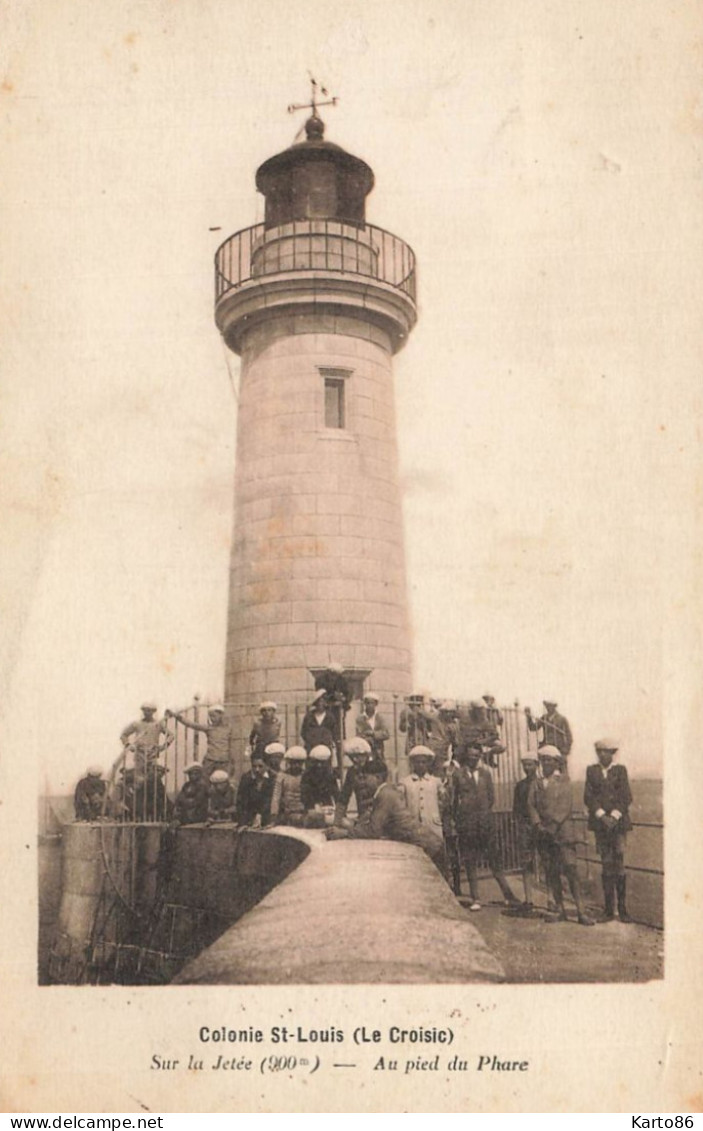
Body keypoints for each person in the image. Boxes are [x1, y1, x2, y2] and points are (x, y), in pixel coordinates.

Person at [326, 760, 446, 875]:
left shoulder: (385, 796)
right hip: (428, 847)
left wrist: (344, 833)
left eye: (366, 778)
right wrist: (353, 824)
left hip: (429, 849)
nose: (363, 783)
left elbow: (373, 830)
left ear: (378, 778)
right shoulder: (385, 793)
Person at [528, 746, 594, 926]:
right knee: (552, 872)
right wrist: (537, 824)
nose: (546, 763)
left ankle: (581, 911)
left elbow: (565, 806)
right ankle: (560, 909)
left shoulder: (564, 780)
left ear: (557, 762)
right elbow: (531, 805)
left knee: (571, 870)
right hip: (544, 834)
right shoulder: (537, 782)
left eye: (550, 760)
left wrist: (552, 825)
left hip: (562, 833)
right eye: (543, 760)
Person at [450, 744, 519, 911]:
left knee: (494, 861)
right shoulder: (457, 775)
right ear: (466, 756)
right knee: (471, 861)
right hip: (467, 825)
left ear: (480, 756)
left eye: (477, 755)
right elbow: (453, 801)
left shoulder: (486, 774)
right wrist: (460, 820)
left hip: (485, 824)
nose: (474, 758)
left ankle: (509, 896)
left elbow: (491, 798)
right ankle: (475, 898)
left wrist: (483, 815)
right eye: (471, 755)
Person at [584, 738, 633, 922]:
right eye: (599, 751)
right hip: (601, 824)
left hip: (618, 824)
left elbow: (626, 795)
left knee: (619, 862)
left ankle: (623, 909)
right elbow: (588, 796)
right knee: (606, 863)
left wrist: (614, 816)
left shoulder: (620, 770)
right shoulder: (592, 771)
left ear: (612, 753)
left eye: (605, 751)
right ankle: (608, 910)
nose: (602, 754)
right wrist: (601, 816)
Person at [168, 703, 235, 780]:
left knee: (223, 780)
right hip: (210, 760)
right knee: (204, 781)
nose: (212, 719)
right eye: (210, 717)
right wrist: (176, 716)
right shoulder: (208, 728)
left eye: (214, 716)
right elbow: (191, 724)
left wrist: (232, 761)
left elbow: (231, 746)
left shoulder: (228, 729)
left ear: (220, 715)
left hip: (224, 761)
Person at [511, 755, 540, 914]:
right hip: (525, 827)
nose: (527, 768)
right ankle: (529, 899)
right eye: (525, 765)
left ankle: (550, 899)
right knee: (526, 862)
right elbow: (516, 809)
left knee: (545, 861)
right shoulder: (520, 786)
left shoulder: (542, 783)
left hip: (541, 826)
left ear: (536, 765)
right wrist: (519, 825)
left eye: (530, 764)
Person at [399, 745, 445, 839]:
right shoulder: (405, 782)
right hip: (413, 826)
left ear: (428, 763)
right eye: (417, 762)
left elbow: (444, 801)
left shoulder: (435, 781)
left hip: (432, 825)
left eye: (423, 762)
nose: (420, 765)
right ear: (413, 763)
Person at [120, 701, 173, 775]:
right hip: (140, 753)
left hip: (152, 754)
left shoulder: (158, 724)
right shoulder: (137, 724)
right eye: (144, 710)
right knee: (139, 776)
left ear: (153, 712)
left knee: (152, 776)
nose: (146, 712)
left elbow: (171, 735)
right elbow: (124, 735)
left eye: (149, 710)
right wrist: (128, 745)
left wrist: (164, 746)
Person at [335, 737, 376, 825]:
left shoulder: (377, 768)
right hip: (362, 816)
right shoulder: (352, 772)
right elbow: (344, 797)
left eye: (359, 756)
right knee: (343, 823)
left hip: (378, 814)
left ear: (366, 755)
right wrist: (337, 822)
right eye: (352, 757)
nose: (355, 760)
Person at [300, 744, 339, 823]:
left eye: (322, 763)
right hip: (312, 807)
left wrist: (339, 810)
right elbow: (305, 795)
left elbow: (336, 794)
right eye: (316, 762)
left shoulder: (330, 776)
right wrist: (311, 808)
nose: (319, 765)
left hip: (327, 806)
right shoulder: (307, 776)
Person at [270, 745, 307, 826]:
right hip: (288, 814)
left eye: (299, 762)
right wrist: (274, 815)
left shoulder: (306, 776)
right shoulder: (282, 776)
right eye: (294, 762)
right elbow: (276, 797)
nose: (297, 765)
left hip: (304, 813)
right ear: (289, 762)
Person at [235, 755, 274, 827]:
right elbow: (241, 802)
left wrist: (261, 816)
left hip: (267, 817)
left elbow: (270, 800)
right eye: (254, 766)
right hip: (249, 818)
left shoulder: (272, 778)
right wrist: (244, 822)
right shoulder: (246, 778)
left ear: (267, 766)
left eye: (260, 766)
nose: (257, 769)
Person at [354, 693, 390, 760]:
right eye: (367, 703)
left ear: (376, 704)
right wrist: (366, 738)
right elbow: (359, 734)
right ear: (365, 704)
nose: (370, 705)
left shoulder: (380, 718)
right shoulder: (360, 719)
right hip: (365, 750)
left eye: (372, 703)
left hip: (378, 751)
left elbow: (386, 734)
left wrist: (373, 734)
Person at [427, 701, 458, 775]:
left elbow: (455, 742)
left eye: (450, 712)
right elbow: (425, 715)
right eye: (445, 712)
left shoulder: (453, 725)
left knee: (439, 771)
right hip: (431, 747)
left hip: (442, 751)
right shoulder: (436, 718)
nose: (448, 714)